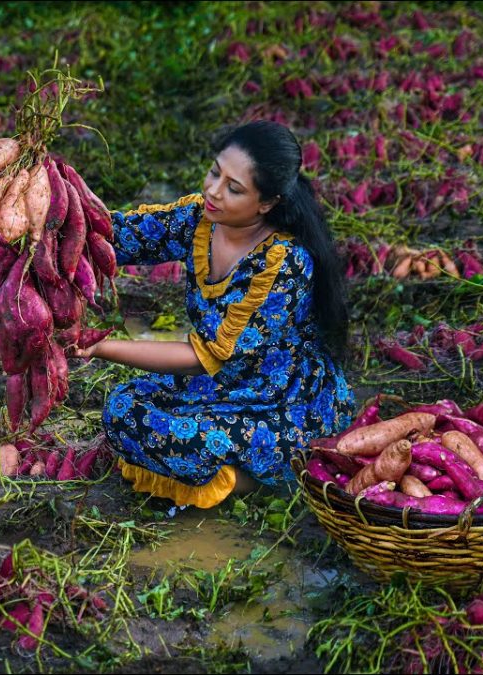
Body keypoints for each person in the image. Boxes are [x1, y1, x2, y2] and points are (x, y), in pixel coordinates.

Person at [74, 120, 356, 510]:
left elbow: (203, 358)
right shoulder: (200, 218)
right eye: (214, 172)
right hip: (222, 382)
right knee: (122, 407)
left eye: (233, 188)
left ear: (267, 203)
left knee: (185, 437)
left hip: (280, 396)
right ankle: (217, 469)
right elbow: (120, 237)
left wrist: (99, 346)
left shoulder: (283, 264)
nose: (213, 190)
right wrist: (54, 209)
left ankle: (244, 481)